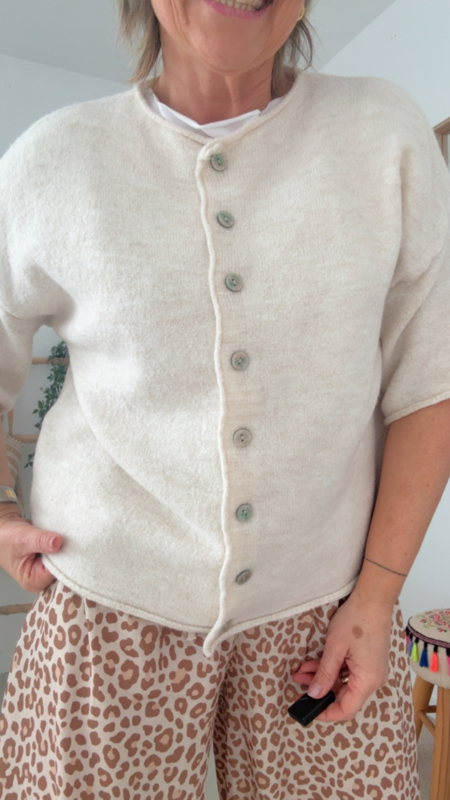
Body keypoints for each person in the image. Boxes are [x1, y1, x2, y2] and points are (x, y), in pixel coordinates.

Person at [1, 0, 450, 796]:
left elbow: (432, 380)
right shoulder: (53, 160)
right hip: (108, 611)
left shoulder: (383, 136)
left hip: (328, 614)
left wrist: (379, 594)